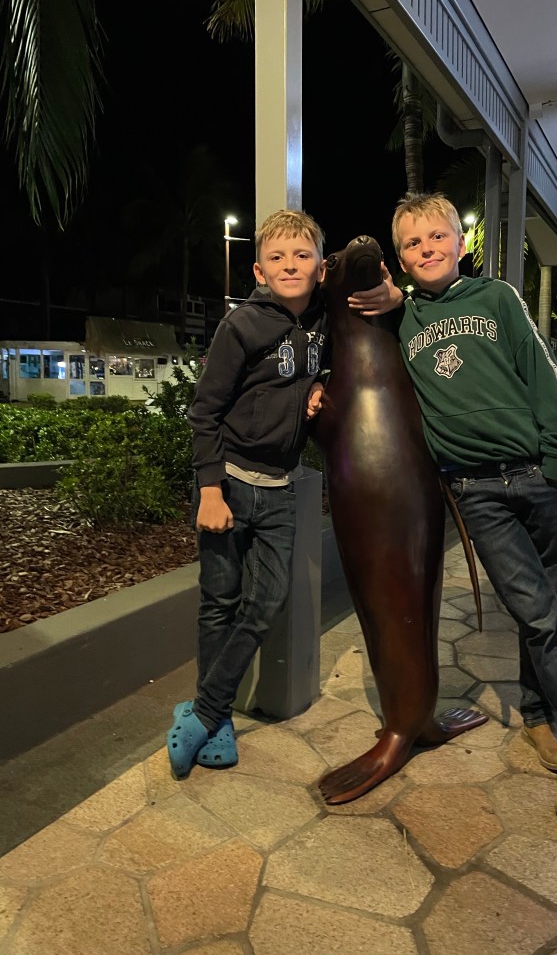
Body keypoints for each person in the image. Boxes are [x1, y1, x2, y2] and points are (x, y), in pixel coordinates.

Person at [382, 191, 557, 822]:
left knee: (541, 613)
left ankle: (538, 716)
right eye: (412, 243)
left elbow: (540, 374)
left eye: (437, 236)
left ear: (461, 243)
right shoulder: (401, 321)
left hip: (536, 478)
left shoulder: (498, 299)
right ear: (400, 259)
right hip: (476, 491)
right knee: (537, 615)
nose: (427, 248)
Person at [166, 209, 400, 777]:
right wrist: (210, 490)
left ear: (320, 268)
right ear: (259, 270)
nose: (289, 265)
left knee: (265, 602)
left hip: (280, 490)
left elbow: (372, 308)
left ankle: (203, 710)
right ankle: (218, 716)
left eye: (301, 256)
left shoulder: (324, 319)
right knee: (218, 603)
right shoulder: (240, 326)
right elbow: (204, 413)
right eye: (277, 257)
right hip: (229, 484)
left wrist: (321, 381)